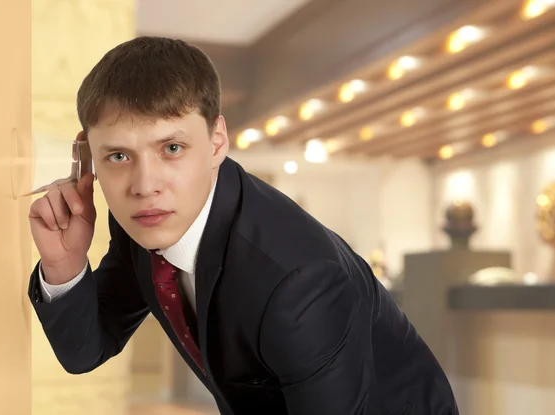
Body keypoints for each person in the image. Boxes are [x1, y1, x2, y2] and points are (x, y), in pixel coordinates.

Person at [27, 36, 459, 415]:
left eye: (172, 148)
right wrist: (65, 265)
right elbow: (85, 351)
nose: (144, 185)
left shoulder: (299, 282)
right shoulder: (146, 221)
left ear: (217, 141)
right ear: (86, 156)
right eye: (118, 156)